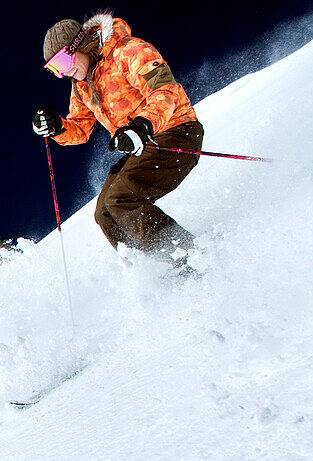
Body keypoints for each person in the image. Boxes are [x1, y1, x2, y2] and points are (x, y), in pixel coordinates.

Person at [32, 13, 204, 273]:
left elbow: (165, 90)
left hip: (176, 131)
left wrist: (142, 125)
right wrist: (56, 127)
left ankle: (189, 261)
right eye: (56, 70)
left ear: (80, 44)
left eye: (63, 61)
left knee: (120, 199)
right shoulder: (82, 86)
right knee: (104, 213)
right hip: (145, 144)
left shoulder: (128, 51)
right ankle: (149, 271)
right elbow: (80, 129)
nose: (65, 72)